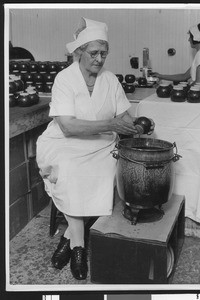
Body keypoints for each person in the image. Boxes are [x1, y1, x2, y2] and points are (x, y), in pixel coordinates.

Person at [36, 17, 154, 281]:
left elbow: (123, 117)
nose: (99, 59)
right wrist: (112, 123)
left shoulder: (110, 80)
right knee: (71, 171)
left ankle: (68, 238)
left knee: (106, 171)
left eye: (104, 53)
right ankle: (79, 247)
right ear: (80, 51)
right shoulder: (64, 79)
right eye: (93, 53)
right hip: (64, 143)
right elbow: (67, 127)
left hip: (101, 145)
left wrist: (135, 125)